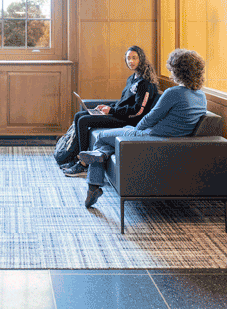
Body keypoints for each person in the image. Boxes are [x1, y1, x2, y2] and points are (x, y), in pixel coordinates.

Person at [77, 49, 208, 208]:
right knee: (106, 144)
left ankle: (94, 185)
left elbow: (150, 118)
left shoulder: (174, 93)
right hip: (167, 142)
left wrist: (134, 132)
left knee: (101, 137)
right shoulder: (201, 96)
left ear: (178, 70)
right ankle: (100, 158)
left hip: (149, 139)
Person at [61, 46, 159, 177]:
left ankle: (83, 165)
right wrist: (106, 107)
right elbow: (123, 102)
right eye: (128, 58)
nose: (131, 61)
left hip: (129, 120)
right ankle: (77, 158)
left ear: (141, 59)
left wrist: (112, 110)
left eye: (134, 58)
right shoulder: (132, 78)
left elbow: (138, 111)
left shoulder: (145, 83)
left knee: (84, 121)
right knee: (79, 116)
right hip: (120, 114)